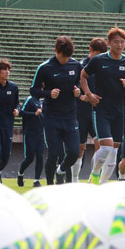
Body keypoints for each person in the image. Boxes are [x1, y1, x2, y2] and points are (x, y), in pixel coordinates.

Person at [82, 26, 125, 185]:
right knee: (106, 147)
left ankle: (101, 186)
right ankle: (95, 174)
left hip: (119, 112)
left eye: (122, 42)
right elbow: (83, 76)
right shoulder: (99, 60)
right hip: (101, 110)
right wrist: (89, 94)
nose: (120, 45)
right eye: (116, 42)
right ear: (109, 43)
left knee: (114, 152)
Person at [30, 36, 82, 185]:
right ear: (55, 51)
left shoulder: (76, 65)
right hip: (51, 117)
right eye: (62, 56)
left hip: (70, 116)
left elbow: (79, 82)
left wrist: (78, 90)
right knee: (53, 154)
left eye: (68, 57)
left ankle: (61, 170)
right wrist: (48, 93)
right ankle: (50, 187)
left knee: (73, 152)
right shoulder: (45, 67)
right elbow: (33, 90)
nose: (65, 60)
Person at [72, 37, 108, 182]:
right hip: (81, 112)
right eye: (97, 54)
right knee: (80, 149)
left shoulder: (103, 67)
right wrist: (81, 97)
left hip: (98, 112)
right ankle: (75, 179)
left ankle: (94, 176)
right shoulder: (79, 66)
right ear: (90, 51)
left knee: (101, 147)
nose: (99, 57)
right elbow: (72, 87)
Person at [16, 94, 44, 187]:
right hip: (29, 133)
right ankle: (20, 174)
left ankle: (36, 181)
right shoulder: (29, 99)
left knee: (40, 156)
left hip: (40, 133)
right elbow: (21, 112)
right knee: (29, 158)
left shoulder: (42, 101)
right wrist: (34, 114)